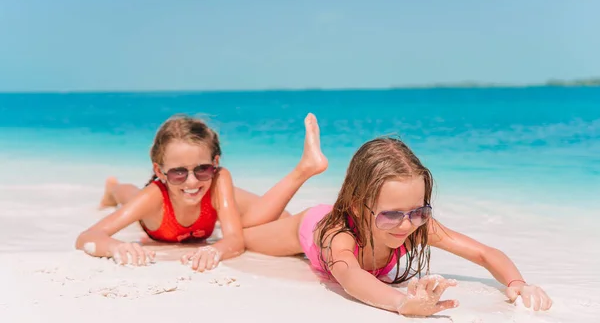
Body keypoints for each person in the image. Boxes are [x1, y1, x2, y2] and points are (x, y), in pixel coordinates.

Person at [243, 124, 553, 317]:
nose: (407, 226)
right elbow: (351, 277)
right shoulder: (340, 234)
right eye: (391, 215)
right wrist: (402, 303)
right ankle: (304, 170)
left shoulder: (416, 225)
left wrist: (517, 283)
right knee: (245, 236)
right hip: (309, 226)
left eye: (418, 211)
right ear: (357, 205)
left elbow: (485, 253)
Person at [75, 113, 327, 272]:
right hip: (157, 211)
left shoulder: (218, 180)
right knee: (128, 194)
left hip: (208, 198)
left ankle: (303, 170)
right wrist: (116, 247)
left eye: (203, 169)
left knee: (280, 216)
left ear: (215, 162)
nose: (192, 181)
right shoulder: (153, 196)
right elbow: (87, 237)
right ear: (160, 171)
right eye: (178, 172)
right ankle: (112, 188)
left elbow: (234, 239)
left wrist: (216, 249)